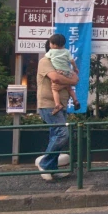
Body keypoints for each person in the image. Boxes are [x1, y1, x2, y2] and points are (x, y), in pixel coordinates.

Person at [35, 36, 79, 181]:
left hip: (62, 104)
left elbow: (76, 79)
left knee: (56, 135)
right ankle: (45, 163)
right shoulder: (45, 61)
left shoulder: (63, 63)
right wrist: (68, 81)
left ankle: (51, 168)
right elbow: (56, 78)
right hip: (49, 105)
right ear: (51, 48)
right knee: (62, 134)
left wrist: (67, 81)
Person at [45, 33, 81, 114]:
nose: (49, 45)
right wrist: (75, 68)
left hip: (58, 72)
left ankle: (57, 105)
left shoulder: (51, 51)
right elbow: (72, 61)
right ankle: (75, 100)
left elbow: (46, 58)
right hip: (67, 72)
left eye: (50, 43)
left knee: (54, 89)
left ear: (54, 45)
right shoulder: (67, 51)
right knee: (69, 88)